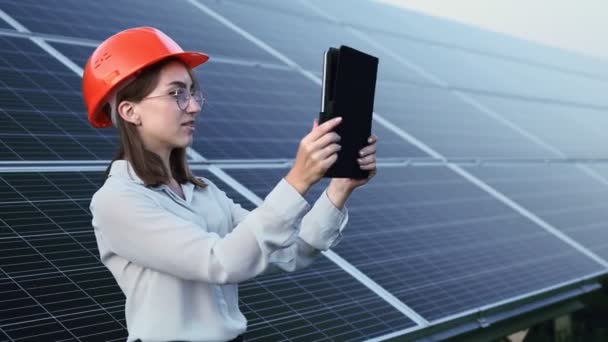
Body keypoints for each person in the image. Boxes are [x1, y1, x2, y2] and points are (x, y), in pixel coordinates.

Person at [83, 27, 378, 342]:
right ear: (130, 111)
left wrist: (340, 188)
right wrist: (298, 180)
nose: (194, 106)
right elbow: (220, 262)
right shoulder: (117, 200)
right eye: (176, 93)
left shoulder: (205, 192)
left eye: (193, 92)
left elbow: (291, 253)